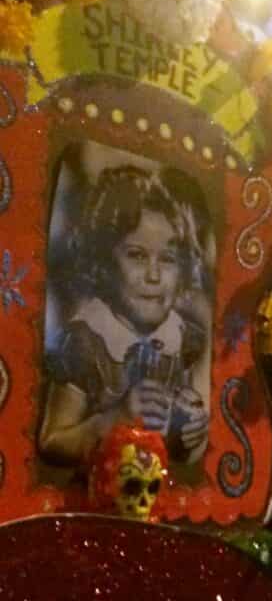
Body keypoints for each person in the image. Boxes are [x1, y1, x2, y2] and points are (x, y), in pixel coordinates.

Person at [39, 165, 209, 468]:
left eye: (168, 259)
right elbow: (53, 442)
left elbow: (169, 452)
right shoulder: (85, 343)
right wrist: (114, 421)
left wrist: (187, 430)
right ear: (103, 261)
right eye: (137, 255)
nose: (154, 275)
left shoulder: (182, 340)